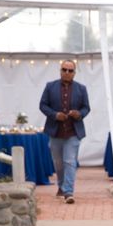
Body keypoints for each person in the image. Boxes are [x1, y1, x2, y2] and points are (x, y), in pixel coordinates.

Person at [39, 60, 90, 204]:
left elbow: (87, 108)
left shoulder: (81, 89)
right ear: (60, 70)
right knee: (58, 163)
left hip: (73, 132)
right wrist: (55, 115)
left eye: (70, 70)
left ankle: (68, 191)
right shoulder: (50, 86)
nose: (67, 73)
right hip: (55, 132)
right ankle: (61, 186)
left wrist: (79, 114)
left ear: (74, 73)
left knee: (69, 161)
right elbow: (42, 105)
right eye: (64, 69)